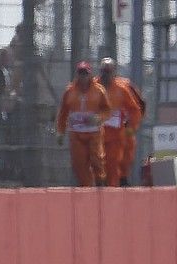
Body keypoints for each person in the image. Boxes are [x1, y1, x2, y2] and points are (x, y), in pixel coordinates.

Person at [56, 61, 111, 187]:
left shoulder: (99, 90)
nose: (83, 77)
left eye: (85, 74)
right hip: (76, 133)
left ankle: (100, 182)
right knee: (79, 163)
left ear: (90, 75)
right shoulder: (69, 91)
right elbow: (63, 113)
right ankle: (86, 187)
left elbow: (107, 110)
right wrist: (60, 131)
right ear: (77, 75)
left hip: (94, 132)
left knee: (97, 159)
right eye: (80, 73)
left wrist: (98, 118)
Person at [96, 58, 142, 188]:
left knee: (113, 164)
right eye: (103, 71)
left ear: (114, 73)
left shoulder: (122, 90)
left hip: (115, 136)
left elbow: (134, 110)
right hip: (95, 136)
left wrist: (131, 128)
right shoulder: (93, 87)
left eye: (108, 72)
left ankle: (113, 190)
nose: (105, 75)